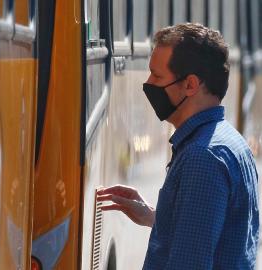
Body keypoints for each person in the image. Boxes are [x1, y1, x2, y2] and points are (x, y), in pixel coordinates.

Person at [97, 23, 259, 269]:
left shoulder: (203, 157)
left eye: (158, 76)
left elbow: (190, 262)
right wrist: (155, 216)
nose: (149, 83)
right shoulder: (232, 143)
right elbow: (211, 235)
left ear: (191, 85)